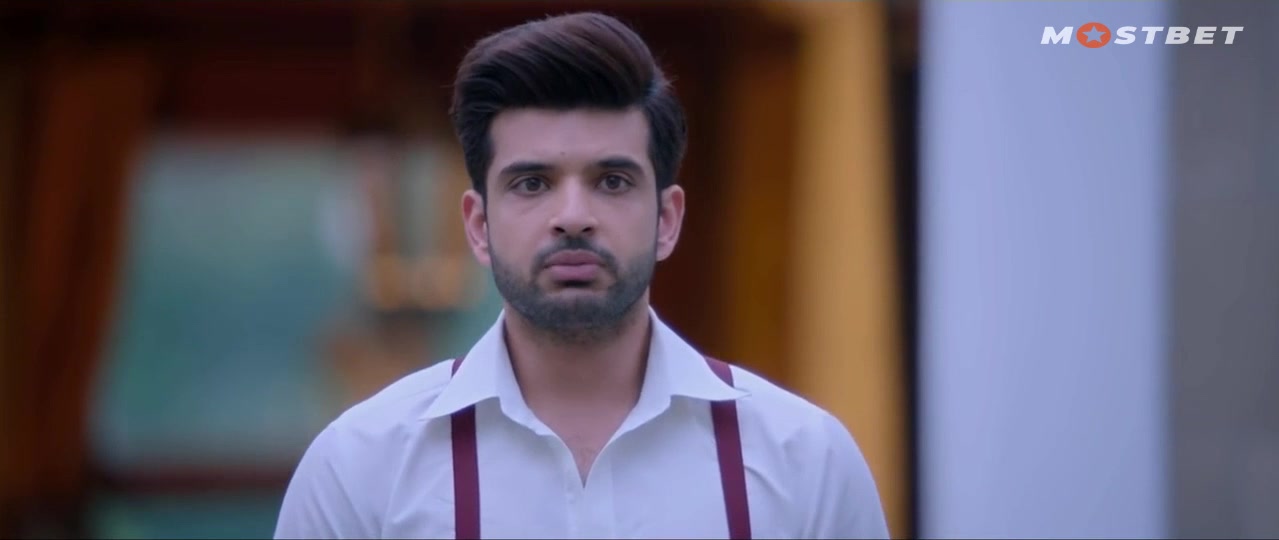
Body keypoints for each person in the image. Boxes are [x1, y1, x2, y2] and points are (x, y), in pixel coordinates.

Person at [274, 11, 889, 540]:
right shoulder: (362, 469)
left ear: (667, 219)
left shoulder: (804, 463)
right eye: (532, 183)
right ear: (479, 226)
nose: (572, 216)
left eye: (612, 181)